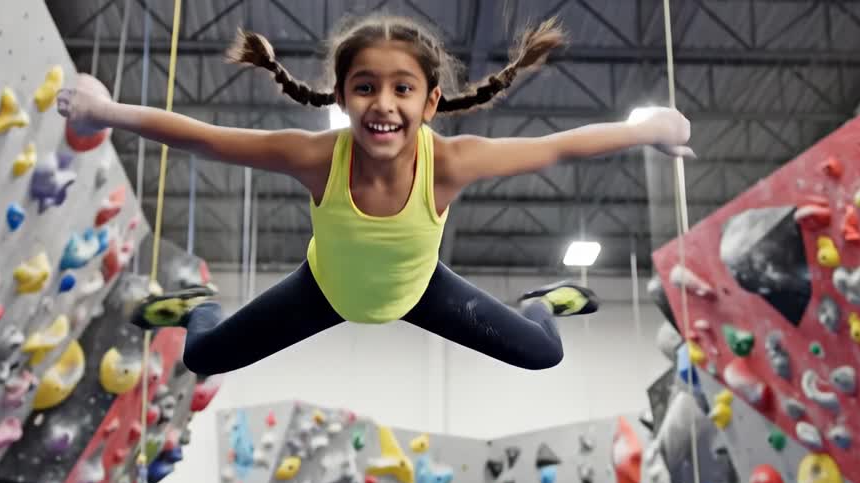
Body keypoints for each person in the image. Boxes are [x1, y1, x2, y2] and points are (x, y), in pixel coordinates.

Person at [56, 14, 692, 375]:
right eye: (364, 87)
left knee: (544, 352)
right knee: (202, 355)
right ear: (341, 98)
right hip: (322, 291)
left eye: (402, 89)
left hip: (422, 292)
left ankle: (539, 302)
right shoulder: (316, 158)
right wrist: (108, 111)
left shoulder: (448, 164)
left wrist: (647, 130)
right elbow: (208, 138)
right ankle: (198, 306)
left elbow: (559, 147)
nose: (382, 104)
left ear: (431, 102)